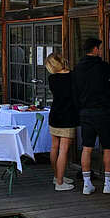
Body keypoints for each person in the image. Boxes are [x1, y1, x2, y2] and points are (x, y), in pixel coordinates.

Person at [71, 37, 110, 195]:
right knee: (108, 147)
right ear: (95, 49)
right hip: (103, 112)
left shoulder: (77, 68)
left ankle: (87, 184)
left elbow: (74, 93)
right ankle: (108, 183)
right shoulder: (102, 66)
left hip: (85, 113)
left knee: (87, 148)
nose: (101, 51)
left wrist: (80, 111)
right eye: (100, 48)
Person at [45, 53, 78, 191]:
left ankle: (57, 176)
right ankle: (59, 182)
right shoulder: (73, 76)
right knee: (63, 150)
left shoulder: (52, 78)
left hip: (55, 114)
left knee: (54, 147)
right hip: (68, 115)